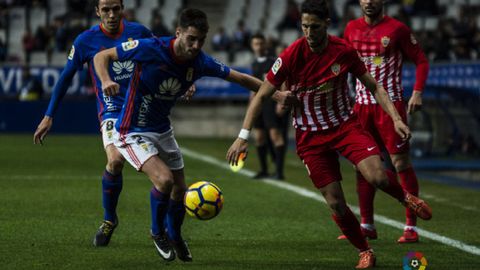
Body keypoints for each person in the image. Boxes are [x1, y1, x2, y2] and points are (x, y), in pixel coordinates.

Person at [226, 0, 432, 268]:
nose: (309, 33)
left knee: (378, 176)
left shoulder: (343, 51)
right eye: (304, 26)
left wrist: (395, 118)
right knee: (335, 203)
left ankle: (407, 199)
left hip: (345, 126)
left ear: (327, 24)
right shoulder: (291, 55)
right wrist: (243, 135)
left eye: (314, 26)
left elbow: (374, 86)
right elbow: (261, 95)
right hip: (310, 137)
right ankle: (365, 251)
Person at [93, 8, 291, 262]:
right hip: (130, 130)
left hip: (162, 129)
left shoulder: (201, 62)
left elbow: (240, 78)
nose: (196, 46)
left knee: (179, 191)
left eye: (201, 40)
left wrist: (276, 94)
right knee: (164, 181)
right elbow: (102, 56)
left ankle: (175, 235)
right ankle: (157, 232)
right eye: (191, 39)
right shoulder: (151, 47)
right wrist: (106, 79)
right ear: (178, 33)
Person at [33, 0, 154, 247]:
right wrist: (49, 115)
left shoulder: (139, 32)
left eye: (115, 9)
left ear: (123, 9)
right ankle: (110, 220)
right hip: (111, 109)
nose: (111, 14)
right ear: (97, 11)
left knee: (166, 175)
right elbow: (65, 78)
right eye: (105, 10)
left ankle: (167, 228)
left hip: (142, 107)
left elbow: (163, 57)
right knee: (115, 160)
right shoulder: (85, 41)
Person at [343, 0, 430, 243]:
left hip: (390, 106)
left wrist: (418, 91)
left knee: (400, 163)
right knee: (362, 165)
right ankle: (367, 224)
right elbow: (345, 65)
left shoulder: (397, 29)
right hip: (360, 107)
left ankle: (411, 228)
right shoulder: (351, 28)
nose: (370, 1)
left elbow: (421, 60)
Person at [249, 33, 289, 180]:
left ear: (265, 45)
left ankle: (279, 172)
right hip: (259, 103)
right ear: (252, 46)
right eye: (255, 44)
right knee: (259, 137)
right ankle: (264, 170)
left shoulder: (273, 61)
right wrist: (251, 103)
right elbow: (252, 85)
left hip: (272, 102)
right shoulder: (254, 63)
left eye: (260, 43)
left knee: (275, 135)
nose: (258, 46)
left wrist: (281, 100)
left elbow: (283, 78)